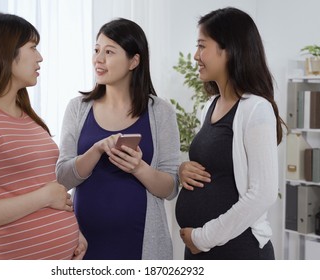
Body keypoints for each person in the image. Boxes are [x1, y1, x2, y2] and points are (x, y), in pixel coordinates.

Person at [0, 12, 86, 260]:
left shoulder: (27, 116)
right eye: (33, 47)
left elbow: (37, 184)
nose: (40, 57)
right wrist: (44, 198)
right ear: (5, 52)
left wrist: (74, 233)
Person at [56, 18, 180, 260]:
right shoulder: (78, 108)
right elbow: (62, 178)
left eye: (109, 51)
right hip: (83, 244)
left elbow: (171, 187)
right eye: (96, 50)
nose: (98, 59)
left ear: (134, 61)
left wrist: (138, 168)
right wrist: (96, 151)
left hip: (141, 245)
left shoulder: (160, 112)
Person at [175, 7, 284, 260]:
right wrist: (183, 171)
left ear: (229, 50)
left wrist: (203, 237)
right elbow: (216, 169)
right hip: (200, 250)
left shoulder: (256, 108)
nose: (195, 56)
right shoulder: (209, 106)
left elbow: (263, 193)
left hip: (238, 251)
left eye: (202, 46)